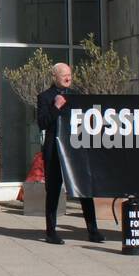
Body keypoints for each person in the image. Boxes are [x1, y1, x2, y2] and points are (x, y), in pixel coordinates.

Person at [35, 62, 103, 245]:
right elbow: (42, 123)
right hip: (55, 150)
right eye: (64, 75)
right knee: (53, 190)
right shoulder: (45, 97)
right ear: (54, 77)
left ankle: (93, 230)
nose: (68, 78)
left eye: (70, 75)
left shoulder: (76, 96)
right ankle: (51, 232)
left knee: (84, 189)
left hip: (76, 150)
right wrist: (55, 107)